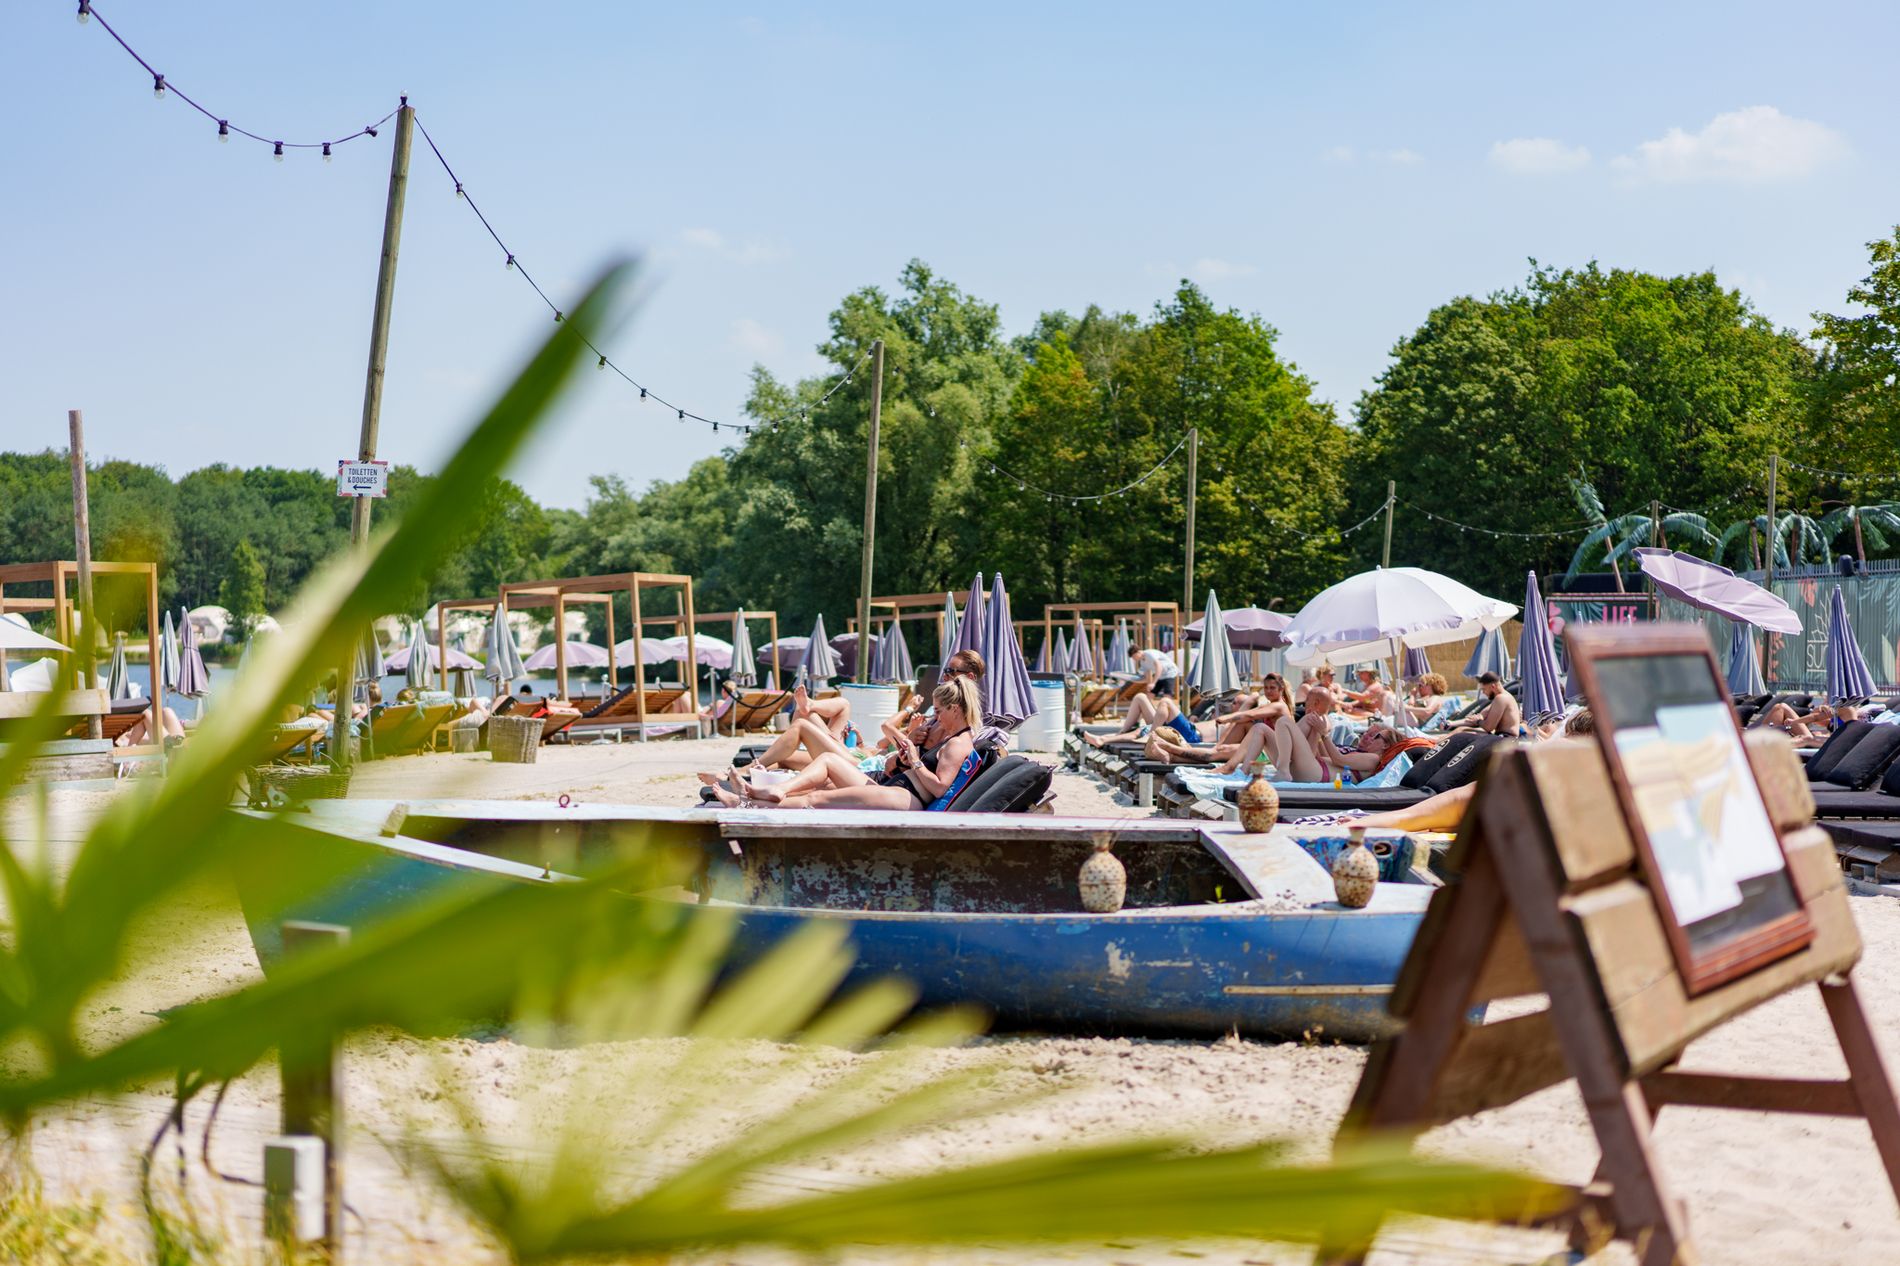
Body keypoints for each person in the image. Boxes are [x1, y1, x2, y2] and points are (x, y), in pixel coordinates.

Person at [702, 677, 982, 811]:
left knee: (817, 799)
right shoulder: (947, 735)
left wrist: (917, 760)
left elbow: (940, 787)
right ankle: (775, 791)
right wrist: (907, 755)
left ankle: (745, 804)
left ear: (956, 709)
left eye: (940, 711)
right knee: (827, 761)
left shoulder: (958, 744)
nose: (936, 716)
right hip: (898, 785)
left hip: (908, 799)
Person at [1447, 672, 1520, 736]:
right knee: (1461, 730)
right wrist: (1452, 723)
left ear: (1493, 686)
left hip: (1507, 740)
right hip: (1502, 737)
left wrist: (1478, 721)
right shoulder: (1500, 698)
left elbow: (1489, 727)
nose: (1483, 692)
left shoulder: (1501, 698)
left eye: (1484, 689)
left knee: (1462, 731)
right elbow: (1479, 717)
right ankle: (1436, 742)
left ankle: (1436, 743)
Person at [115, 705, 187, 748]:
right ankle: (129, 750)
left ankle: (129, 751)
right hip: (178, 746)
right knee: (165, 711)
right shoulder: (123, 738)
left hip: (173, 746)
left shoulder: (129, 735)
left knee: (146, 713)